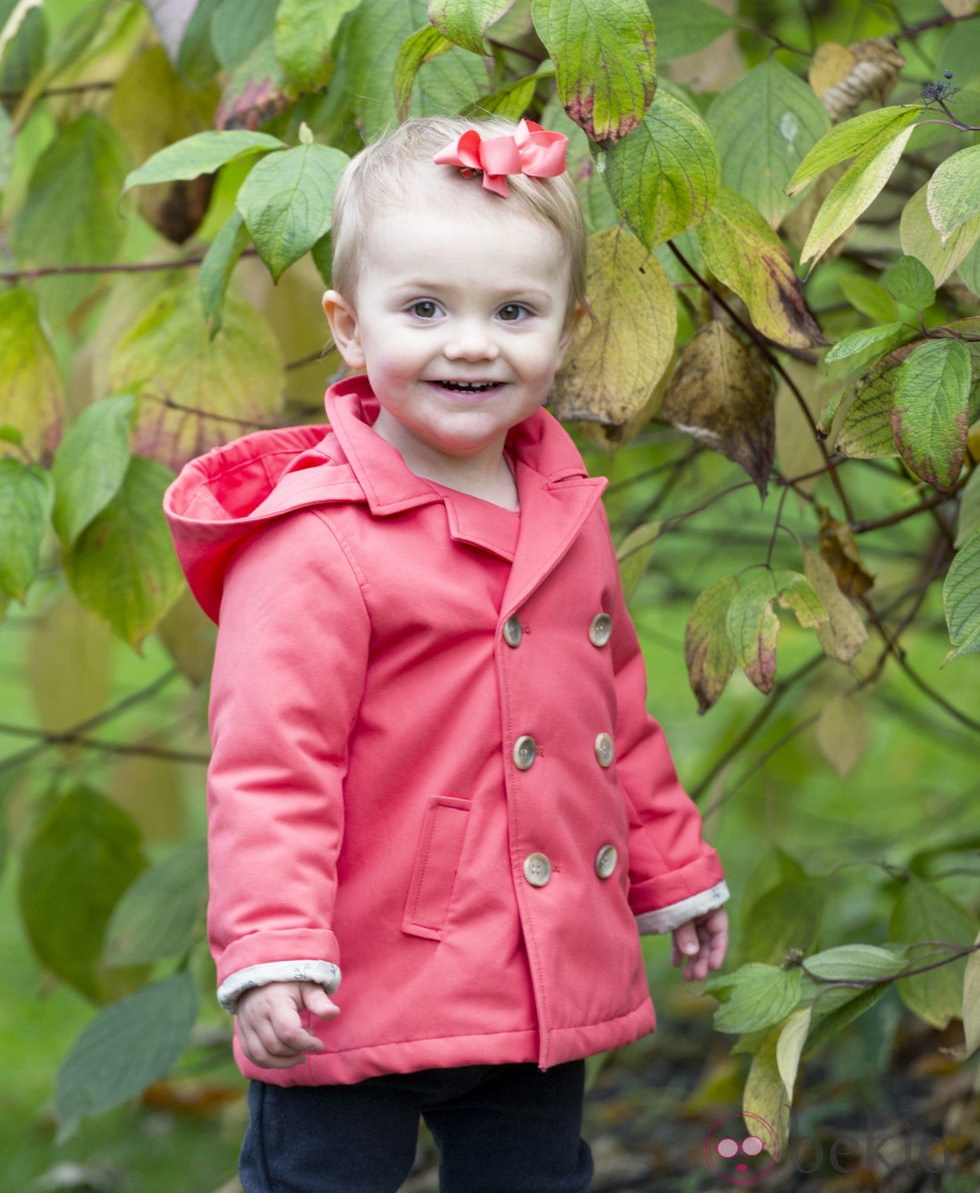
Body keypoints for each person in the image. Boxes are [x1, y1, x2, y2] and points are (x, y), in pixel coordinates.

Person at [165, 115, 729, 1193]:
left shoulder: (562, 503)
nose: (470, 344)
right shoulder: (316, 540)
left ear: (565, 330)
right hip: (354, 972)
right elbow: (270, 762)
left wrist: (670, 870)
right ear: (346, 325)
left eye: (512, 312)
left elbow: (607, 713)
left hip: (531, 961)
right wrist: (270, 946)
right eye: (423, 309)